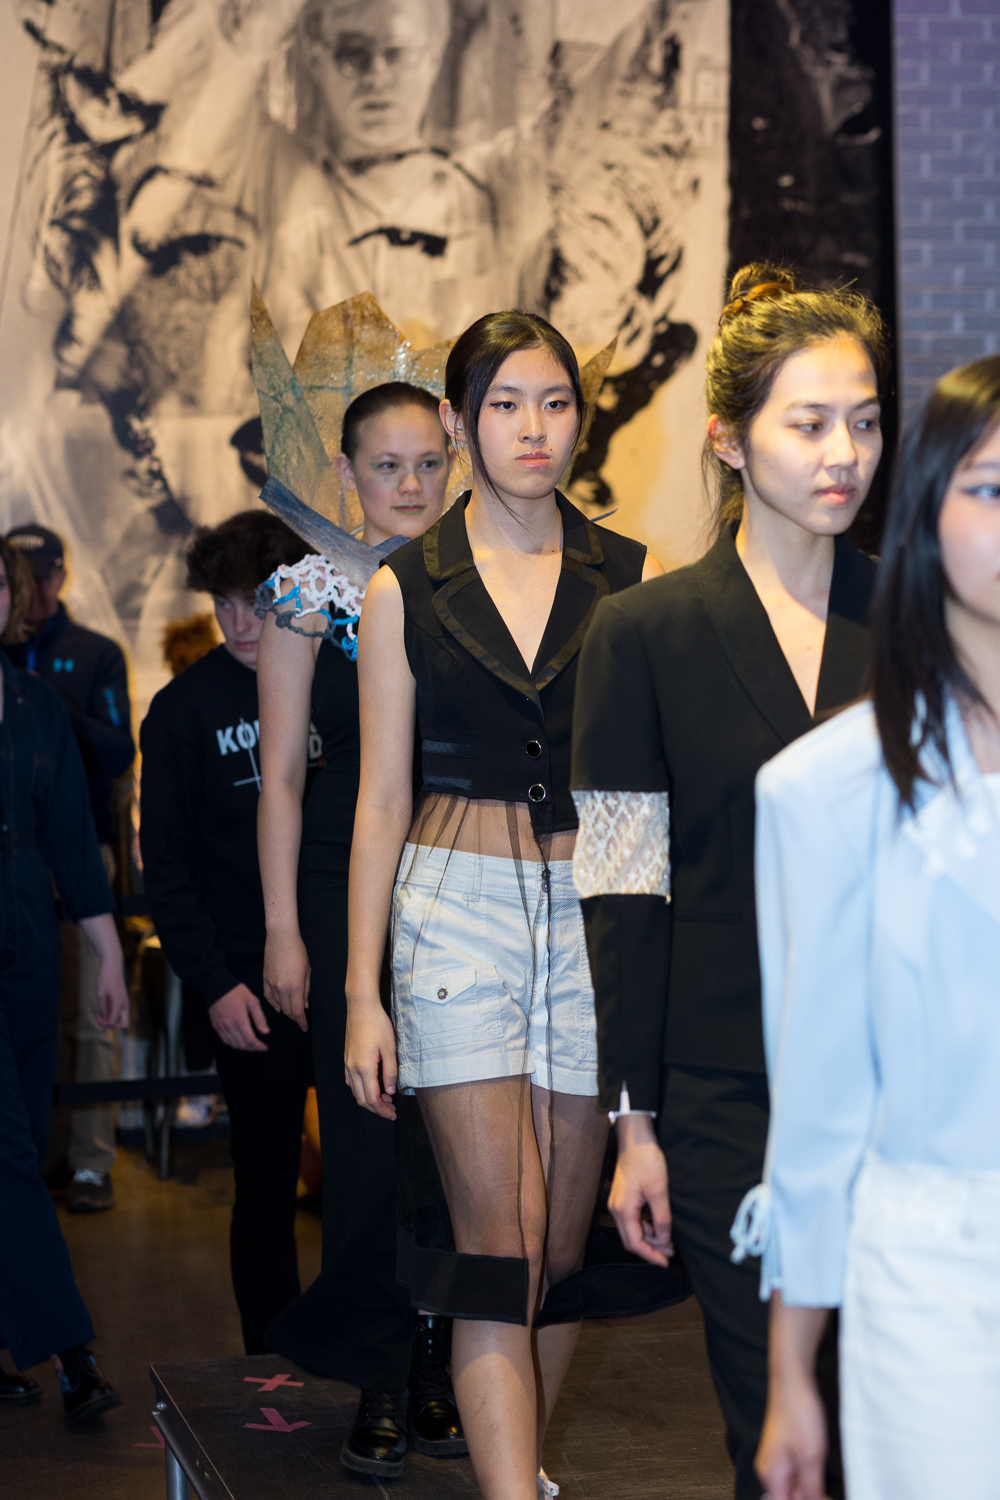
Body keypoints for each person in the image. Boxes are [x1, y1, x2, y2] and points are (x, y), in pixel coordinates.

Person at [569, 265, 889, 1500]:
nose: (843, 453)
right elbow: (623, 891)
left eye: (862, 420)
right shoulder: (642, 633)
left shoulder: (922, 613)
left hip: (904, 1080)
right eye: (807, 423)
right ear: (727, 438)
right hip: (723, 1090)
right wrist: (632, 1124)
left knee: (895, 1411)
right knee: (781, 1418)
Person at [344, 309, 663, 1500]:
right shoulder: (403, 586)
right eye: (506, 404)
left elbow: (640, 799)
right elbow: (378, 799)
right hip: (451, 912)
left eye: (557, 403)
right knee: (501, 1251)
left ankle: (518, 1467)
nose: (534, 430)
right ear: (456, 420)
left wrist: (648, 967)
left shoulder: (630, 580)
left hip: (592, 916)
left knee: (561, 1255)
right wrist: (357, 993)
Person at [743, 356, 1000, 1500]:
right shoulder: (828, 788)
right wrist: (793, 1370)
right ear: (928, 513)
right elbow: (818, 1100)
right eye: (992, 489)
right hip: (936, 1283)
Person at [256, 381, 460, 1477]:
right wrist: (286, 931)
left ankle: (438, 1359)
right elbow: (281, 778)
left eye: (430, 462)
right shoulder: (305, 592)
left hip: (462, 878)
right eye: (388, 466)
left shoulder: (477, 581)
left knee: (453, 1144)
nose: (412, 485)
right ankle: (380, 1374)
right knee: (372, 1140)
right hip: (345, 889)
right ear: (344, 474)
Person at [139, 510, 313, 1355]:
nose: (242, 624)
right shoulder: (180, 713)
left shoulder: (342, 677)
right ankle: (274, 1361)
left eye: (259, 603)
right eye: (224, 606)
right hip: (247, 984)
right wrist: (213, 982)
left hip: (354, 973)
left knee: (371, 1181)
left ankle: (373, 1357)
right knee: (267, 1187)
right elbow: (164, 870)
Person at [0, 535, 130, 1422]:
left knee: (19, 1128)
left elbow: (73, 844)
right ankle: (71, 1348)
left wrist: (109, 952)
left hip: (28, 943)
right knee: (11, 1149)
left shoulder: (35, 705)